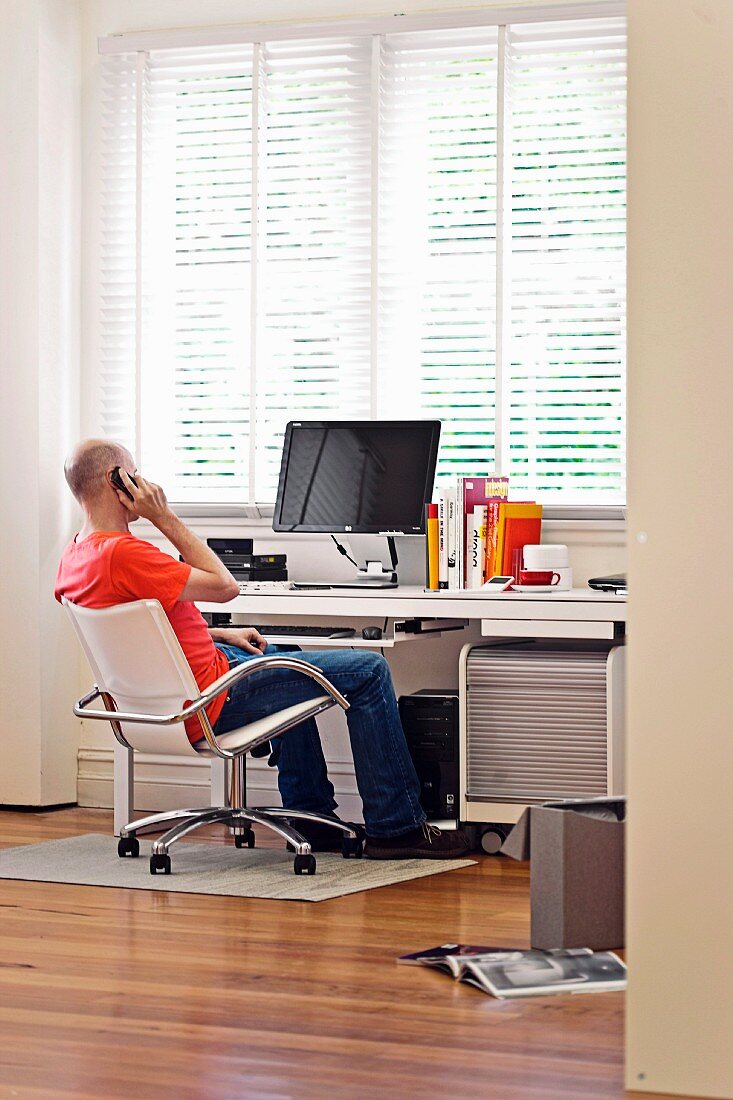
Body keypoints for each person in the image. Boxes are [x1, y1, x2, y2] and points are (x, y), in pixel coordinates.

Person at [55, 439, 471, 859]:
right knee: (369, 672)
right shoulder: (127, 553)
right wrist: (163, 516)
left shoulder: (76, 556)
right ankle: (396, 828)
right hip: (209, 700)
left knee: (282, 649)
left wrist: (218, 635)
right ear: (117, 480)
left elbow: (140, 634)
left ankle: (310, 815)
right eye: (135, 473)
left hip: (166, 701)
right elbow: (226, 586)